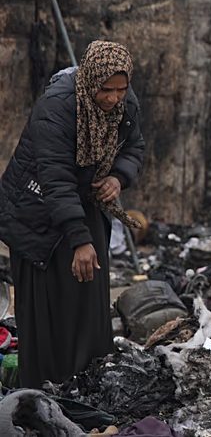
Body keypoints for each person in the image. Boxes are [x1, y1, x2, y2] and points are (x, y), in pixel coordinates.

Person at [0, 40, 144, 388]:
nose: (113, 98)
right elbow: (55, 177)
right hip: (36, 212)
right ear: (90, 81)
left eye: (120, 89)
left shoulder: (126, 105)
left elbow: (135, 146)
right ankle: (44, 391)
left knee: (88, 303)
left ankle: (85, 386)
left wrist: (117, 177)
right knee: (48, 309)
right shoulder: (57, 107)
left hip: (83, 205)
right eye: (106, 90)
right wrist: (80, 239)